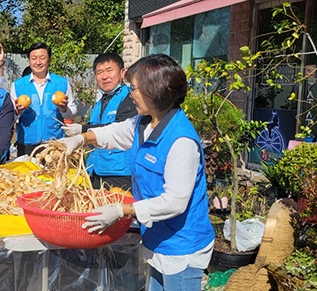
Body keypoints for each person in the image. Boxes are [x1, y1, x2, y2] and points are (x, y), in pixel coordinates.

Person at [59, 54, 214, 291]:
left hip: (182, 246)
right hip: (157, 238)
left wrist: (123, 210)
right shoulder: (144, 123)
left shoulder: (181, 140)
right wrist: (82, 138)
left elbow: (175, 202)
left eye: (134, 88)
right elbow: (113, 133)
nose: (130, 93)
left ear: (155, 90)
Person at [61, 53, 136, 190]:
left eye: (109, 70)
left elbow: (118, 128)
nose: (104, 76)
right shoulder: (101, 101)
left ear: (122, 72)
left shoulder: (130, 98)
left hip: (118, 173)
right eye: (99, 72)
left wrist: (82, 130)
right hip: (95, 169)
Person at [11, 42, 77, 156]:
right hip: (27, 144)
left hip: (55, 144)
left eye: (42, 58)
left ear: (49, 60)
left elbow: (73, 113)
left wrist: (64, 109)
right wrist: (17, 112)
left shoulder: (62, 83)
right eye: (34, 58)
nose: (38, 62)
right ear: (29, 61)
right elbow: (9, 117)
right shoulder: (18, 85)